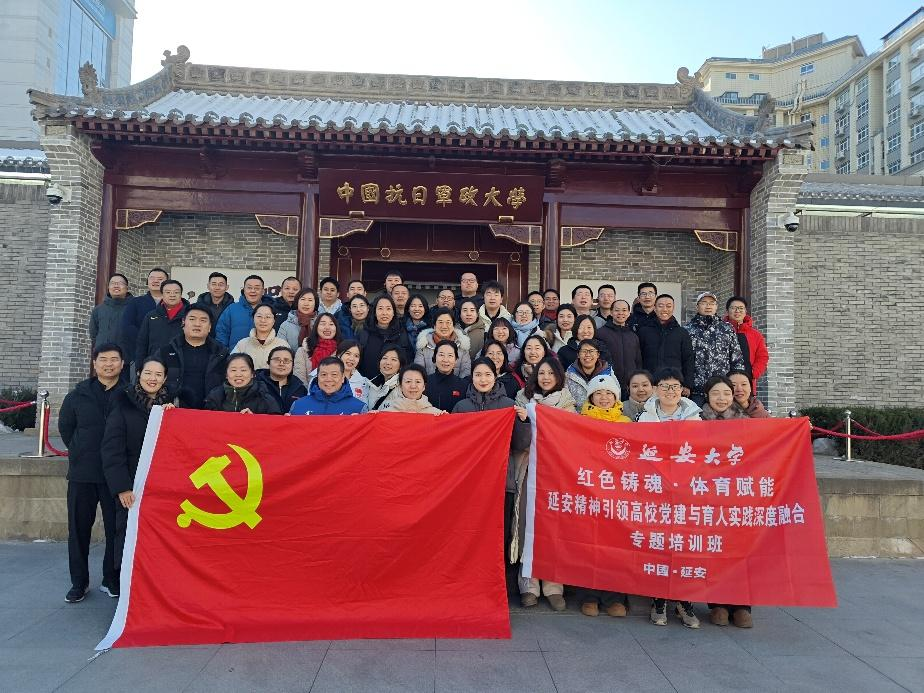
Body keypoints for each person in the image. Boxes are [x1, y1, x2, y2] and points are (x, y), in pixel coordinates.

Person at [453, 358, 531, 600]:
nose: (483, 379)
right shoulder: (462, 407)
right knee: (469, 536)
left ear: (495, 375)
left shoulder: (509, 405)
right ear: (472, 377)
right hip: (469, 485)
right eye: (478, 374)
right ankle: (468, 586)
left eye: (487, 374)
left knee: (499, 537)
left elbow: (520, 444)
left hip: (501, 482)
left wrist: (523, 422)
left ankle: (498, 590)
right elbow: (453, 445)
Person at [58, 343, 126, 603]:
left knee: (115, 531)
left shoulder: (128, 394)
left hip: (115, 477)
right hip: (82, 474)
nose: (109, 364)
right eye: (103, 359)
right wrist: (79, 451)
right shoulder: (77, 395)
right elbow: (66, 428)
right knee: (78, 530)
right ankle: (79, 582)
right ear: (94, 364)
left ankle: (111, 579)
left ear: (122, 363)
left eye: (114, 359)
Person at [637, 368, 701, 628]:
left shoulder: (696, 418)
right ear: (655, 389)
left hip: (686, 492)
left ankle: (684, 601)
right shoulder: (645, 418)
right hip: (656, 491)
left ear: (682, 390)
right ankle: (659, 599)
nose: (670, 391)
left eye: (675, 386)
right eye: (664, 386)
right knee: (659, 544)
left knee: (684, 546)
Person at [101, 357, 174, 586]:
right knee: (127, 535)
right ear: (139, 374)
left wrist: (175, 418)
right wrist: (122, 487)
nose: (153, 379)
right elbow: (112, 450)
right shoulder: (123, 403)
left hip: (161, 486)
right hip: (132, 485)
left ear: (165, 379)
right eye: (148, 373)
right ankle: (124, 585)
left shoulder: (171, 406)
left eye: (158, 375)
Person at [512, 357, 573, 609]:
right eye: (541, 373)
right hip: (529, 470)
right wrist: (526, 421)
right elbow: (518, 442)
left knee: (552, 528)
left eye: (551, 373)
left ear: (559, 376)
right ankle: (528, 584)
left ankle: (553, 584)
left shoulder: (569, 404)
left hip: (556, 473)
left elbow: (569, 439)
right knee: (527, 524)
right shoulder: (522, 401)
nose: (546, 377)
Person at [574, 373, 631, 617]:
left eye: (609, 393)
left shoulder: (627, 423)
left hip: (618, 493)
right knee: (589, 545)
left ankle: (615, 597)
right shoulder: (580, 422)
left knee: (616, 547)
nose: (604, 397)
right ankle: (590, 596)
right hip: (588, 490)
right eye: (599, 393)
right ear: (590, 397)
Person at [159, 306, 229, 409]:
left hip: (212, 411)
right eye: (192, 319)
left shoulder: (221, 354)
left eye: (203, 320)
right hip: (174, 410)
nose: (197, 324)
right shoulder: (167, 351)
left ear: (210, 327)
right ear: (183, 323)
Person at [685, 291, 745, 404]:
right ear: (697, 306)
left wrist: (736, 383)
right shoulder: (687, 329)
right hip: (696, 391)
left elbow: (737, 359)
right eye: (704, 303)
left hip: (722, 389)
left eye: (711, 303)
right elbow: (683, 360)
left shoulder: (727, 329)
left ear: (716, 306)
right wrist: (686, 384)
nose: (708, 306)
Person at [637, 294, 695, 396]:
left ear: (673, 308)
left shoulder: (682, 332)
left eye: (668, 306)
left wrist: (687, 385)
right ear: (655, 308)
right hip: (650, 384)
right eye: (660, 306)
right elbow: (638, 358)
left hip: (674, 384)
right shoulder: (644, 331)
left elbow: (688, 359)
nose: (665, 309)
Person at [596, 299, 643, 400]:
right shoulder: (600, 333)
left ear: (629, 313)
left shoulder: (633, 336)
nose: (621, 313)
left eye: (624, 310)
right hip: (608, 386)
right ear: (611, 312)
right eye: (617, 310)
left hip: (630, 386)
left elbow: (638, 362)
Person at [120, 267, 168, 364]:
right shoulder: (135, 302)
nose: (155, 281)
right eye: (152, 278)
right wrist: (144, 341)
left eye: (160, 279)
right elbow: (127, 326)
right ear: (147, 281)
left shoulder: (175, 303)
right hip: (140, 354)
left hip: (168, 353)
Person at [134, 279, 189, 364]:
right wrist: (139, 366)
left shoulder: (190, 315)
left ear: (181, 294)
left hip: (182, 363)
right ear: (162, 294)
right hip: (155, 364)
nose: (172, 295)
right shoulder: (151, 316)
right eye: (168, 292)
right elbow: (142, 343)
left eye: (176, 292)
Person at [204, 353, 281, 414]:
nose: (238, 374)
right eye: (233, 370)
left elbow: (275, 424)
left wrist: (255, 420)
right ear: (226, 375)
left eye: (243, 370)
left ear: (252, 374)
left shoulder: (264, 398)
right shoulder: (215, 396)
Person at [289, 357, 367, 415]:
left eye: (334, 374)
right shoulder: (298, 406)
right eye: (324, 374)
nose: (328, 379)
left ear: (343, 378)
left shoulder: (358, 408)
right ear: (317, 377)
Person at [357, 295, 412, 378]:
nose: (384, 313)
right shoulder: (365, 333)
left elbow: (407, 360)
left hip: (394, 383)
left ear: (393, 313)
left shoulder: (402, 333)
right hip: (367, 382)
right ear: (374, 312)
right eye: (380, 308)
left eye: (388, 309)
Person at [724, 296, 769, 391]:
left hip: (746, 381)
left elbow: (762, 356)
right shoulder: (720, 332)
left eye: (741, 308)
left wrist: (753, 373)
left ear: (745, 311)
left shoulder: (755, 334)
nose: (737, 311)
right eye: (733, 308)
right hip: (724, 381)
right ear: (727, 311)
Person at [216, 274, 274, 348]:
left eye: (257, 288)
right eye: (249, 287)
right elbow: (221, 334)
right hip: (235, 354)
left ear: (263, 291)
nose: (253, 291)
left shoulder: (271, 310)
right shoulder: (231, 309)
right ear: (243, 290)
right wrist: (225, 353)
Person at [414, 308, 472, 378]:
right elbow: (418, 373)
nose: (444, 326)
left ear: (453, 326)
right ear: (434, 325)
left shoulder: (462, 345)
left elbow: (466, 373)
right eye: (440, 322)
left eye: (448, 322)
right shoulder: (424, 344)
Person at [232, 303, 289, 370]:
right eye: (259, 316)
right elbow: (232, 367)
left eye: (268, 317)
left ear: (274, 321)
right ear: (253, 319)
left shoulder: (282, 345)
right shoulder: (242, 344)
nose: (263, 320)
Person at [565, 338, 614, 408]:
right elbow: (565, 402)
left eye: (591, 351)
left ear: (598, 354)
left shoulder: (608, 373)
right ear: (578, 355)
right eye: (584, 351)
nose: (588, 354)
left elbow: (616, 397)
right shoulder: (569, 375)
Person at [294, 313, 342, 384]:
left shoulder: (342, 352)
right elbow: (299, 379)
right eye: (323, 324)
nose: (327, 327)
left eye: (331, 324)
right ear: (316, 327)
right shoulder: (302, 351)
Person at [256, 345, 307, 413]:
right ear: (268, 363)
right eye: (277, 360)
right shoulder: (256, 385)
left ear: (293, 365)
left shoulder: (300, 389)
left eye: (286, 360)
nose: (281, 364)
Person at [379, 364, 444, 414]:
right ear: (400, 386)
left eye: (418, 382)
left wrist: (444, 418)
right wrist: (375, 416)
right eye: (408, 381)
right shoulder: (387, 413)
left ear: (424, 386)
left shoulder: (435, 414)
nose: (413, 386)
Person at [423, 341, 468, 412]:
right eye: (441, 355)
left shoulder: (464, 385)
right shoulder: (424, 383)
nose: (445, 360)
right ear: (434, 358)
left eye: (450, 355)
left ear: (456, 360)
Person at [89, 273, 131, 349]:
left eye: (120, 283)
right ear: (108, 287)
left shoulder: (136, 308)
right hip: (104, 353)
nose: (116, 286)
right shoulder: (98, 310)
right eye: (112, 283)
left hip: (128, 354)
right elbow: (94, 335)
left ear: (127, 288)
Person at [366, 345, 404, 410]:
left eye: (393, 359)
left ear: (401, 366)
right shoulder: (371, 384)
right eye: (385, 358)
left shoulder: (403, 388)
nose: (388, 362)